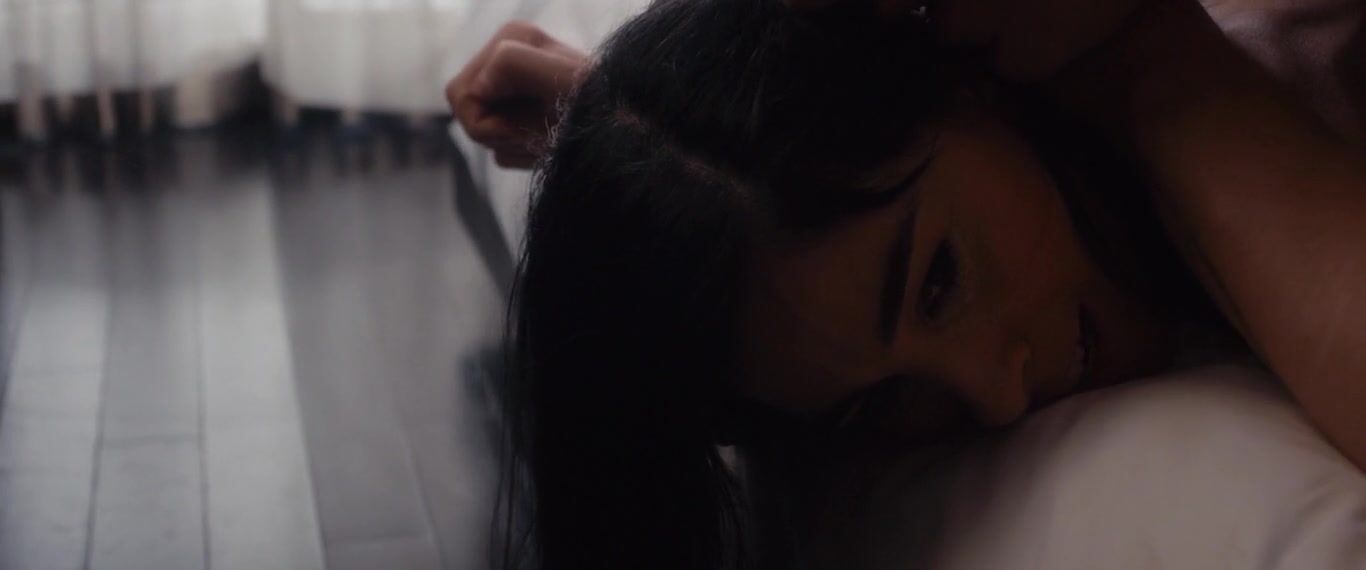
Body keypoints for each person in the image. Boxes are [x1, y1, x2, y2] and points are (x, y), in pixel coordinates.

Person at [446, 0, 1366, 568]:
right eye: (876, 404)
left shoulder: (1286, 75)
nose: (1000, 397)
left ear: (970, 86)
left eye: (937, 284)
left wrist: (1146, 49)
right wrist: (636, 136)